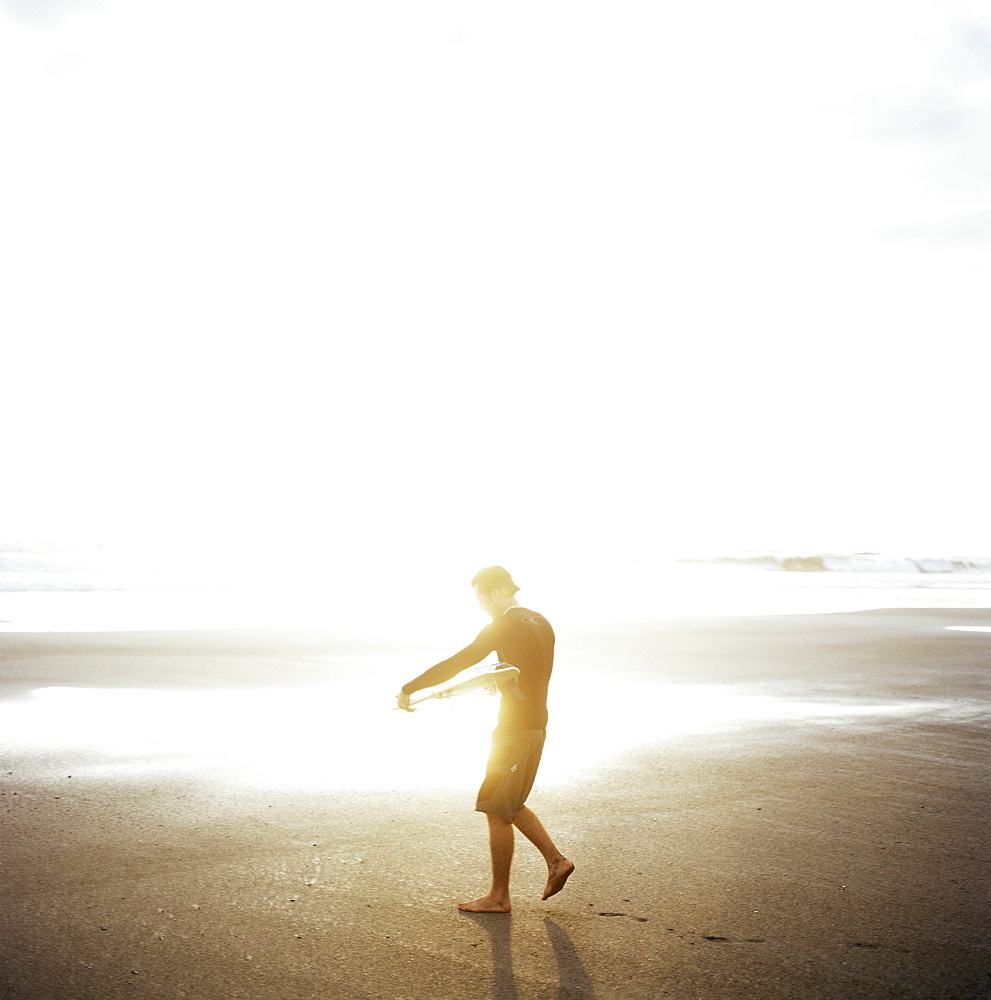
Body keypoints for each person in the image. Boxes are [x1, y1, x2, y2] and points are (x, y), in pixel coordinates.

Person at [397, 566, 575, 913]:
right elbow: (528, 672)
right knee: (509, 801)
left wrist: (409, 688)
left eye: (480, 598)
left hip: (514, 729)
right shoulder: (541, 622)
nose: (480, 606)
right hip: (537, 724)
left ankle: (499, 897)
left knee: (494, 805)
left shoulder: (503, 625)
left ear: (494, 592)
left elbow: (460, 662)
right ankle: (557, 861)